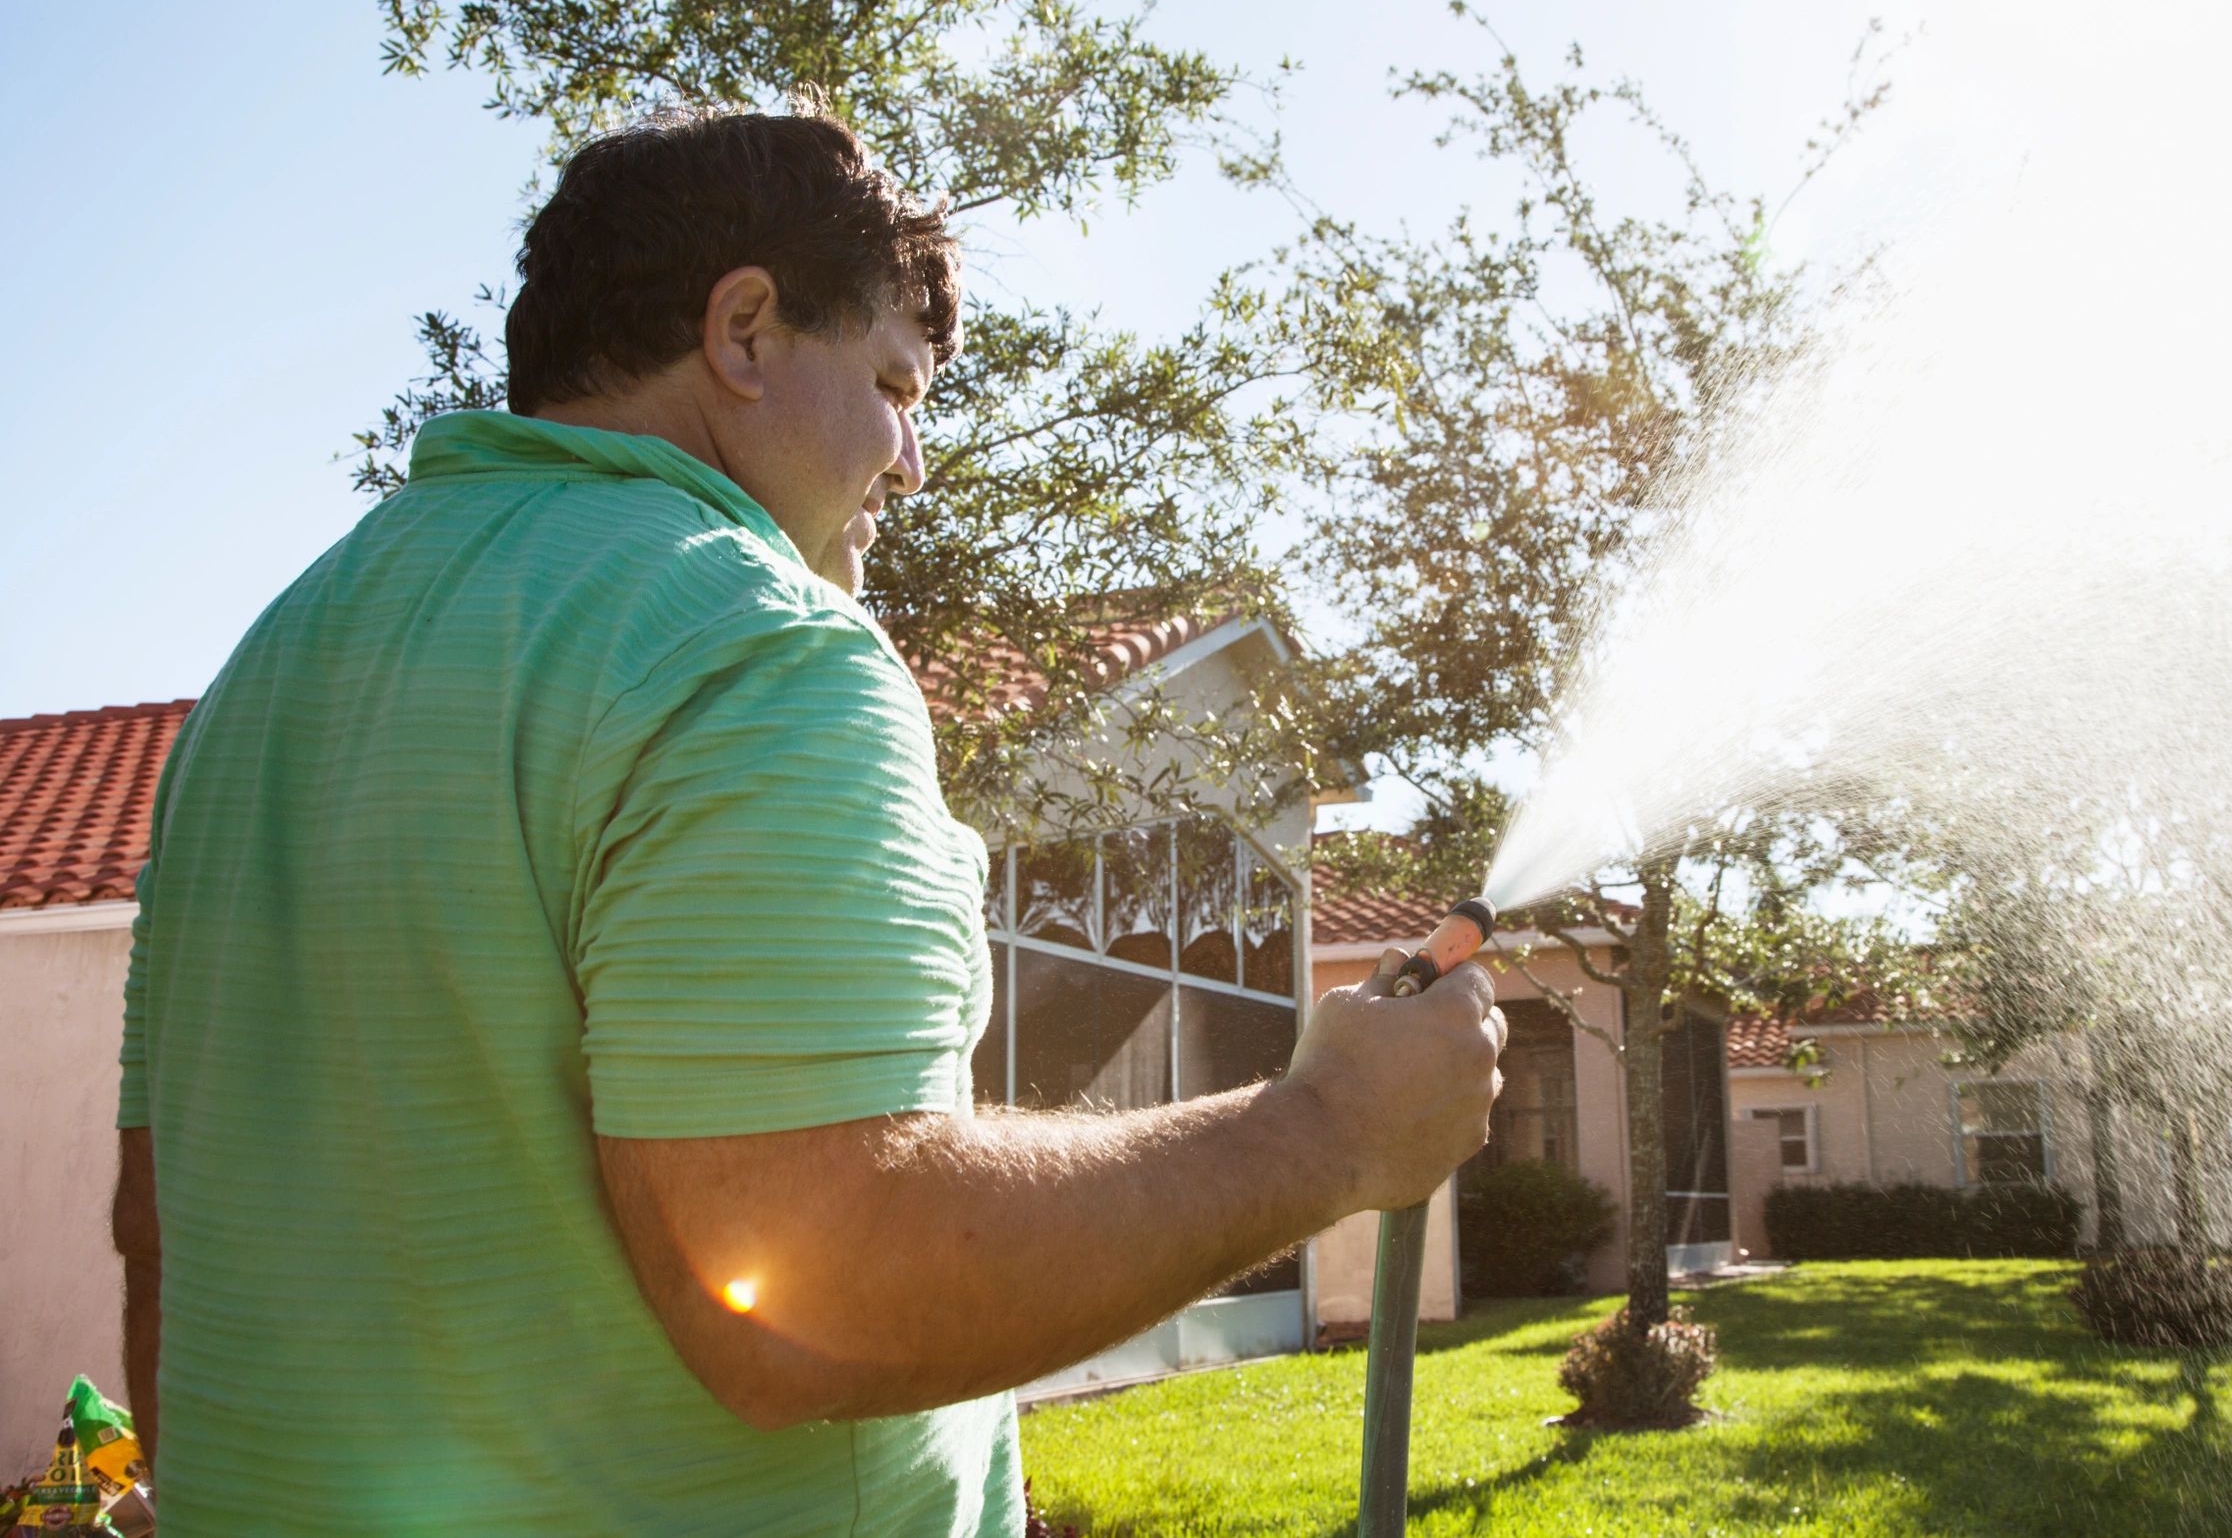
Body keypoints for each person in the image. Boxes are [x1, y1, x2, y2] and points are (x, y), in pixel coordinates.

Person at [111, 106, 1506, 1536]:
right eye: (897, 385)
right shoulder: (749, 645)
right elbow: (814, 1289)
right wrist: (1328, 1131)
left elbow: (161, 1247)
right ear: (747, 331)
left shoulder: (266, 679)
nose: (912, 461)